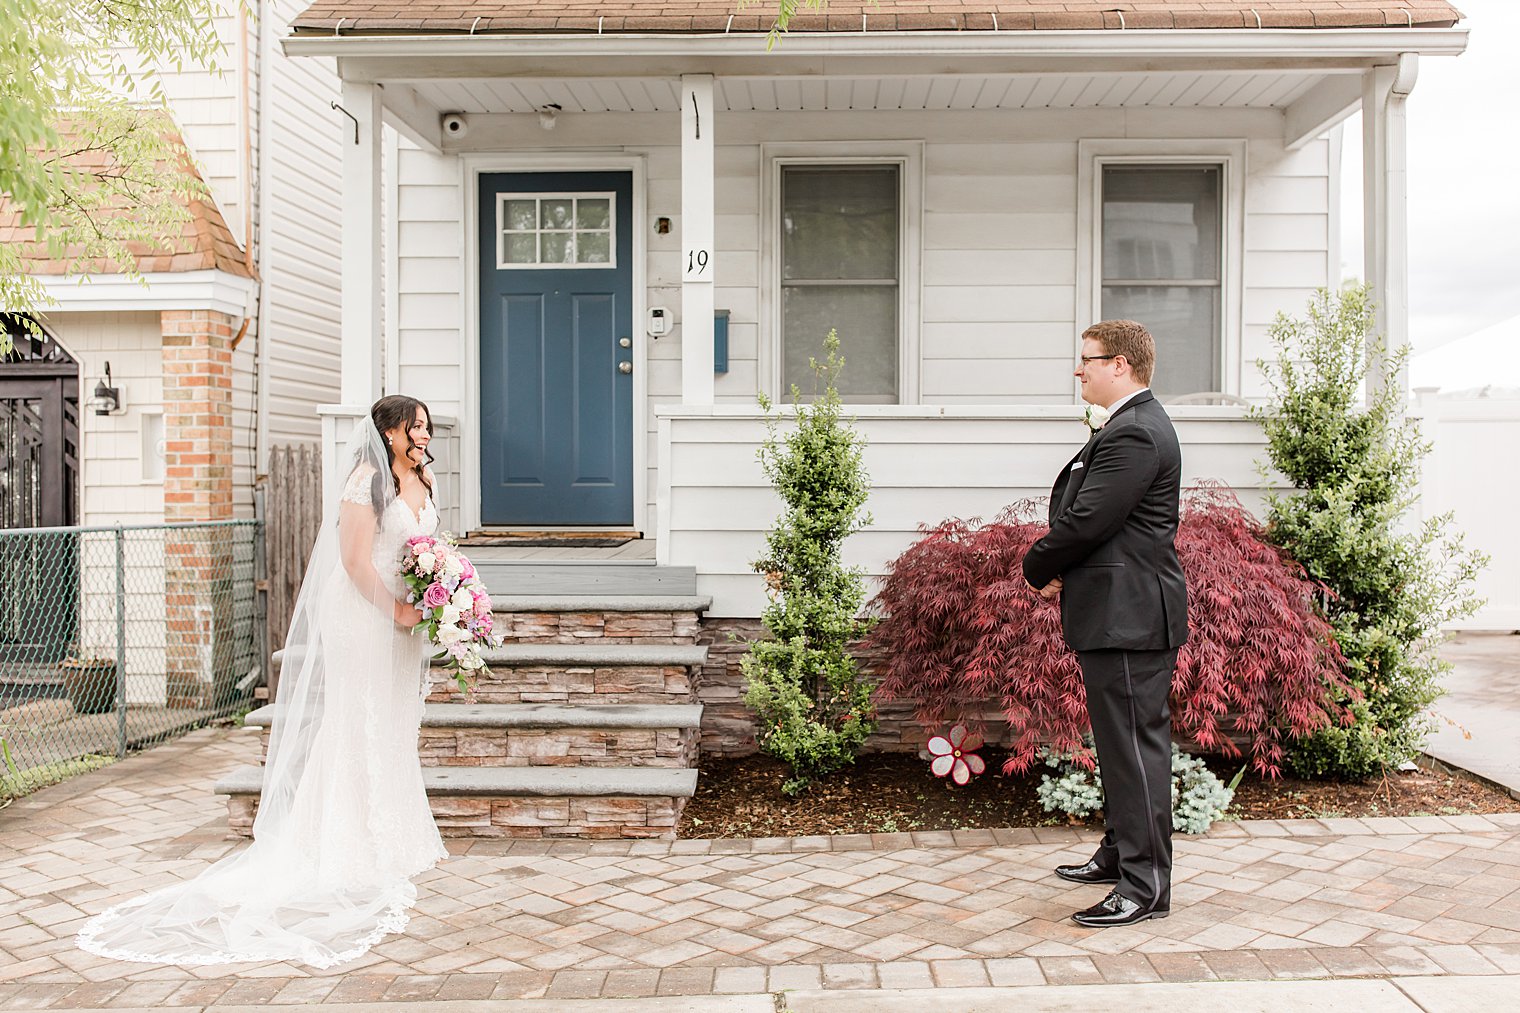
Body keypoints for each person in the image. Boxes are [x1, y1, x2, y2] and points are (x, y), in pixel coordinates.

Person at [77, 395, 448, 967]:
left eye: (426, 426)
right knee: (357, 717)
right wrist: (396, 610)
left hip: (405, 614)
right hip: (364, 615)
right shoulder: (367, 481)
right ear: (389, 432)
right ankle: (345, 840)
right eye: (415, 426)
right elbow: (353, 562)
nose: (425, 434)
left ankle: (391, 830)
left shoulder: (421, 476)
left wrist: (441, 592)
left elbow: (424, 549)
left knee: (394, 718)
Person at [1021, 320, 1188, 929]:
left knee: (1135, 749)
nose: (1078, 370)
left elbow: (1088, 519)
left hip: (1131, 617)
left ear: (1120, 365)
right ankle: (1120, 855)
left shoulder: (1137, 433)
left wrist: (1036, 564)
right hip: (1120, 612)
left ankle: (1144, 887)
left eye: (1086, 360)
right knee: (1121, 745)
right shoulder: (1129, 426)